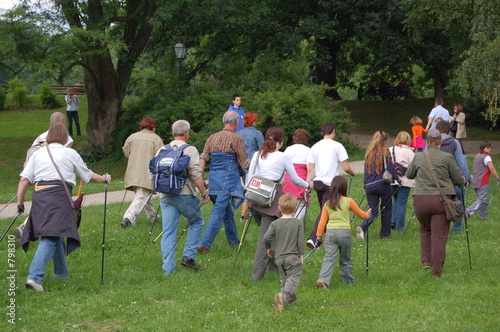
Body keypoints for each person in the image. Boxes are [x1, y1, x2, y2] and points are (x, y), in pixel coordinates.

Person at [17, 123, 111, 291]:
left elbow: (24, 180)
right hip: (59, 197)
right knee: (51, 236)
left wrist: (20, 204)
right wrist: (104, 178)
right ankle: (34, 277)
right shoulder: (70, 153)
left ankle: (61, 274)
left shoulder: (38, 154)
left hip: (39, 197)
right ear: (65, 138)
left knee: (58, 233)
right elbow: (87, 176)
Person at [246, 127, 310, 282]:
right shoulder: (283, 157)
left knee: (273, 234)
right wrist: (307, 185)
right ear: (280, 141)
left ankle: (274, 267)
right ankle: (257, 276)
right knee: (266, 239)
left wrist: (246, 200)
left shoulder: (257, 154)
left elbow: (250, 177)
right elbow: (294, 179)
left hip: (254, 198)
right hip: (271, 201)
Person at [406, 130, 464, 277]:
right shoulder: (447, 157)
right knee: (439, 235)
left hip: (420, 199)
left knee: (425, 229)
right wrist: (463, 181)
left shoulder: (418, 156)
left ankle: (426, 261)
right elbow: (458, 179)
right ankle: (436, 270)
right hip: (441, 200)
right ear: (440, 142)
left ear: (427, 142)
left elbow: (409, 174)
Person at [159, 120, 210, 275]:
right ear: (187, 133)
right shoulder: (190, 149)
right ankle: (188, 256)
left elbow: (153, 171)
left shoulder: (162, 149)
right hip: (185, 194)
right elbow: (195, 173)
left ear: (172, 133)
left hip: (165, 195)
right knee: (196, 222)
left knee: (168, 231)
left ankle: (168, 269)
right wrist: (203, 192)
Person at [16, 112, 74, 242]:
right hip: (55, 179)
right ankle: (27, 227)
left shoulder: (40, 137)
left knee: (40, 203)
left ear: (50, 123)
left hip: (35, 173)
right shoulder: (66, 138)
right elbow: (66, 157)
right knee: (51, 207)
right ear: (63, 123)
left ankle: (25, 227)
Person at [198, 111, 250, 252]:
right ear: (235, 123)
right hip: (227, 181)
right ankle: (205, 243)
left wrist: (201, 180)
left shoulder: (212, 138)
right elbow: (244, 163)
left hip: (214, 179)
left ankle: (234, 242)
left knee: (227, 212)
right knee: (219, 212)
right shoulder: (236, 139)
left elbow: (202, 159)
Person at [306, 122, 356, 248]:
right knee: (325, 211)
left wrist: (307, 186)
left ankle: (328, 235)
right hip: (331, 184)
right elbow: (345, 167)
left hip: (318, 183)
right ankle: (313, 238)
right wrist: (352, 173)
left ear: (322, 132)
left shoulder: (314, 147)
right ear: (334, 131)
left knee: (324, 209)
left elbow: (310, 169)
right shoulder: (337, 146)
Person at [315, 176, 371, 289]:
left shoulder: (327, 203)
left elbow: (322, 223)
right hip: (344, 233)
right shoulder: (348, 201)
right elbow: (361, 214)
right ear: (344, 187)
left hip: (330, 233)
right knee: (345, 259)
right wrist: (368, 214)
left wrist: (319, 237)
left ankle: (323, 280)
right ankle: (348, 282)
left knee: (329, 258)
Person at [356, 131, 401, 241]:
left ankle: (363, 227)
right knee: (386, 209)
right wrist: (398, 180)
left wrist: (365, 185)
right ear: (384, 141)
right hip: (383, 184)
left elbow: (366, 172)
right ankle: (385, 234)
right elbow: (390, 169)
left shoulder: (369, 154)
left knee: (372, 211)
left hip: (370, 186)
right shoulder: (385, 152)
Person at [264, 194, 304, 313]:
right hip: (292, 256)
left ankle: (290, 301)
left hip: (279, 257)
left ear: (279, 208)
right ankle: (283, 296)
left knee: (286, 279)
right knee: (294, 277)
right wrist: (301, 255)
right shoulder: (298, 223)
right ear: (295, 209)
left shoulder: (275, 223)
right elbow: (300, 241)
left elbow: (266, 237)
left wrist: (269, 248)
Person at [121, 117, 164, 228]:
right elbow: (160, 157)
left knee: (144, 195)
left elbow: (126, 153)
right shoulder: (156, 139)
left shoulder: (131, 137)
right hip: (147, 172)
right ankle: (128, 219)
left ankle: (153, 217)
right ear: (153, 127)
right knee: (141, 196)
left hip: (133, 171)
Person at [436, 121, 471, 233]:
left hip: (436, 180)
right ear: (449, 130)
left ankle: (439, 226)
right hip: (453, 180)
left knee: (438, 205)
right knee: (458, 202)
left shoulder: (432, 143)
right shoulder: (455, 143)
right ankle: (456, 228)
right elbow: (461, 162)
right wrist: (464, 178)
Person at [237, 112, 264, 221]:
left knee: (245, 188)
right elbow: (262, 150)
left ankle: (245, 213)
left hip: (240, 166)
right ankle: (246, 214)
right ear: (252, 122)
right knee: (253, 190)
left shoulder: (238, 133)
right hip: (253, 166)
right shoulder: (257, 134)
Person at [465, 142, 500, 220]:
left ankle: (483, 216)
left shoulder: (478, 156)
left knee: (483, 199)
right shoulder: (487, 157)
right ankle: (468, 212)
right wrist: (498, 177)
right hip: (482, 181)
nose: (489, 149)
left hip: (475, 180)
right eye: (487, 147)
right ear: (483, 148)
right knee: (482, 200)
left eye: (490, 147)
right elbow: (492, 168)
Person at [389, 131, 415, 231]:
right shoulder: (410, 152)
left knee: (394, 199)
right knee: (401, 203)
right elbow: (413, 167)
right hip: (405, 180)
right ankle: (399, 227)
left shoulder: (390, 150)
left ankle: (392, 220)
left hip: (392, 178)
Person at [283, 129, 311, 221]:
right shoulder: (308, 151)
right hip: (301, 180)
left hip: (288, 179)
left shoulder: (288, 149)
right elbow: (310, 169)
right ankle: (294, 223)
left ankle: (287, 220)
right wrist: (308, 186)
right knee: (302, 205)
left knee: (289, 204)